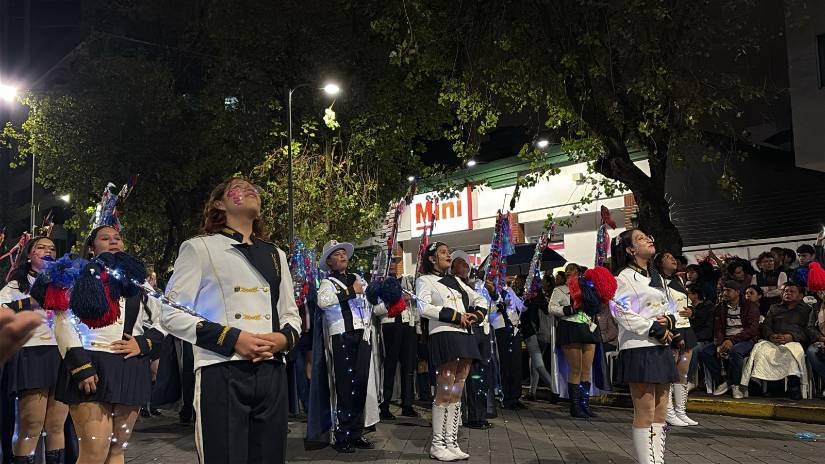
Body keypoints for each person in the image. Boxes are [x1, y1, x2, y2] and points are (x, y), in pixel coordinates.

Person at [156, 177, 302, 464]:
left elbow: (290, 313)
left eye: (253, 188)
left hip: (272, 370)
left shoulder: (276, 254)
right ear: (219, 204)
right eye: (238, 187)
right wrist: (233, 338)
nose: (250, 190)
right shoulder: (199, 248)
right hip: (220, 369)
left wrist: (283, 339)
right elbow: (170, 313)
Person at [50, 224, 161, 464]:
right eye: (105, 238)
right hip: (91, 364)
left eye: (117, 238)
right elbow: (62, 322)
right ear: (91, 247)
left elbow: (164, 318)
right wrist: (80, 366)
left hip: (130, 365)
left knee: (117, 450)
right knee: (94, 452)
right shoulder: (75, 275)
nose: (113, 241)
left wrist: (144, 344)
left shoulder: (138, 280)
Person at [610, 229, 678, 464]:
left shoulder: (655, 275)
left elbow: (669, 306)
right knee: (645, 410)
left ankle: (657, 460)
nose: (649, 239)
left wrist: (669, 320)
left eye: (648, 236)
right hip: (638, 346)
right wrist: (654, 328)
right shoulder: (623, 277)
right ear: (631, 250)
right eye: (641, 238)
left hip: (661, 346)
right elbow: (619, 311)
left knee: (661, 410)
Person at [0, 236, 70, 464]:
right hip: (32, 353)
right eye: (41, 247)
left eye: (52, 248)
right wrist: (29, 302)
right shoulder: (16, 285)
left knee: (56, 425)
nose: (48, 251)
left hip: (62, 353)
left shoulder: (65, 283)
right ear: (29, 255)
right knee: (31, 424)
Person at [416, 242, 487, 461]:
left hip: (465, 335)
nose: (448, 256)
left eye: (448, 252)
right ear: (432, 258)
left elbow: (480, 299)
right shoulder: (424, 280)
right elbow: (423, 307)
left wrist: (476, 315)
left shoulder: (456, 281)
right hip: (444, 334)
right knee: (445, 389)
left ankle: (451, 441)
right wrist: (455, 316)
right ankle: (437, 444)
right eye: (443, 253)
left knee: (458, 389)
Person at [316, 239, 384, 453]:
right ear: (329, 262)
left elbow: (373, 305)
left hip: (362, 335)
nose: (342, 256)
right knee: (345, 387)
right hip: (341, 336)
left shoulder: (357, 278)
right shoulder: (328, 282)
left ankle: (356, 432)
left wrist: (389, 302)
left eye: (343, 253)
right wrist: (350, 292)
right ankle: (342, 435)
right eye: (337, 254)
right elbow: (323, 302)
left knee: (360, 385)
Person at [740, 282, 811, 400]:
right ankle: (757, 384)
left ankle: (793, 385)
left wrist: (791, 336)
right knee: (760, 349)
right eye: (785, 291)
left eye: (791, 291)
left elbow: (808, 330)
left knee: (790, 351)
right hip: (774, 340)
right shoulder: (774, 308)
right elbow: (766, 325)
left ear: (800, 296)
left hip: (794, 341)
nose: (787, 293)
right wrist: (771, 335)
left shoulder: (807, 310)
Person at [449, 251, 494, 430]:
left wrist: (492, 292)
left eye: (466, 264)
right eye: (460, 263)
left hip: (483, 332)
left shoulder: (477, 284)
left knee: (482, 375)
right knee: (472, 375)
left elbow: (492, 304)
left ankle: (480, 415)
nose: (465, 266)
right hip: (470, 333)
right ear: (453, 269)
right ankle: (473, 417)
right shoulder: (454, 285)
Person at [653, 252, 698, 427]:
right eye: (668, 257)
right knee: (670, 373)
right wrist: (672, 331)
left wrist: (691, 311)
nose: (673, 259)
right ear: (659, 263)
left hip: (686, 328)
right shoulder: (656, 281)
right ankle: (668, 412)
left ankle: (681, 411)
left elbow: (687, 303)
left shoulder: (678, 280)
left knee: (682, 373)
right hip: (672, 330)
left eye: (674, 257)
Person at [549, 263, 599, 418]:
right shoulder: (559, 290)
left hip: (587, 327)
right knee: (576, 368)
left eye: (572, 270)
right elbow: (551, 308)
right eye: (567, 270)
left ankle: (584, 404)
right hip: (570, 327)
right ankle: (575, 406)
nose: (569, 272)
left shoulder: (586, 288)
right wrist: (569, 309)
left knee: (586, 369)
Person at [697, 281, 760, 399]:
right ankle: (723, 381)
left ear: (737, 292)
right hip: (726, 339)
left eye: (728, 290)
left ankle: (735, 384)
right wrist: (719, 344)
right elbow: (718, 329)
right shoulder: (720, 307)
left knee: (735, 351)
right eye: (724, 290)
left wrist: (733, 341)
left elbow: (752, 330)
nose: (724, 293)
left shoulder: (750, 306)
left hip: (745, 339)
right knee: (705, 352)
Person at [379, 273, 418, 420]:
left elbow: (414, 308)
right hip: (391, 325)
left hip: (408, 325)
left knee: (408, 366)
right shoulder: (380, 286)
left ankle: (407, 404)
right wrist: (395, 300)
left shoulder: (406, 285)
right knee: (390, 366)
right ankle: (384, 405)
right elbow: (376, 309)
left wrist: (410, 299)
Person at [489, 275, 525, 411]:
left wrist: (527, 298)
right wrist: (501, 306)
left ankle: (516, 396)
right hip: (500, 329)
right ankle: (505, 396)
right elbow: (488, 313)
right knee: (504, 364)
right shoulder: (488, 292)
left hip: (514, 328)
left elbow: (521, 307)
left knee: (516, 364)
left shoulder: (509, 290)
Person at [685, 285, 714, 390]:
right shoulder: (686, 307)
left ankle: (688, 380)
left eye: (688, 293)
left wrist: (693, 338)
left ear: (695, 295)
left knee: (693, 349)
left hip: (704, 340)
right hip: (688, 337)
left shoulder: (708, 307)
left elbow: (708, 329)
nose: (685, 296)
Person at [806, 290, 825, 397]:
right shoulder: (816, 307)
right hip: (821, 340)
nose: (822, 293)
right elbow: (810, 327)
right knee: (811, 350)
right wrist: (820, 337)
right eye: (820, 291)